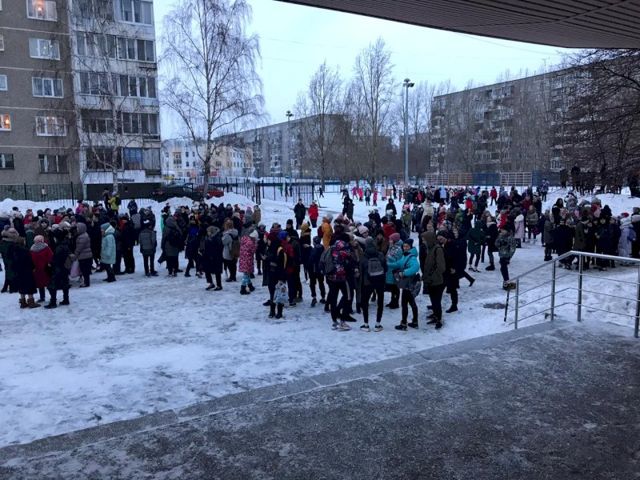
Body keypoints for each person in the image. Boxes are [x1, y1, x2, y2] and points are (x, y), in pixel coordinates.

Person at [359, 237, 387, 332]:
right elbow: (385, 268)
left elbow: (361, 271)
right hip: (380, 281)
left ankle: (366, 324)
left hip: (368, 282)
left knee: (365, 302)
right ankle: (377, 324)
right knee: (380, 302)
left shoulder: (363, 256)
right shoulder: (380, 254)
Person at [391, 238, 420, 331]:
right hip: (408, 283)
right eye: (404, 246)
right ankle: (414, 322)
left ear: (411, 247)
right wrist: (388, 264)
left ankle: (404, 324)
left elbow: (415, 267)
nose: (405, 248)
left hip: (409, 284)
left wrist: (404, 273)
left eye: (407, 246)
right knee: (411, 302)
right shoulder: (406, 255)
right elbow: (398, 264)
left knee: (405, 304)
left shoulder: (412, 257)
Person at [423, 231, 446, 329]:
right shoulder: (430, 248)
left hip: (436, 281)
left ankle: (439, 319)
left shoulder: (437, 249)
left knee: (436, 301)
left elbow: (441, 267)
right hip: (430, 280)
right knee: (433, 300)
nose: (423, 242)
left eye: (424, 240)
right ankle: (435, 315)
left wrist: (432, 277)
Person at [45, 229, 72, 309]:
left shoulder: (59, 247)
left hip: (58, 268)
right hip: (65, 268)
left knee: (52, 285)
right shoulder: (65, 244)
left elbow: (56, 259)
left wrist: (50, 263)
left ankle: (53, 302)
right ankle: (66, 299)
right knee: (65, 283)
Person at [30, 234, 53, 303]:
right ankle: (52, 297)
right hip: (46, 269)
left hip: (37, 270)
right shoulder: (46, 248)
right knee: (49, 283)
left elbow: (30, 260)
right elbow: (51, 257)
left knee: (40, 285)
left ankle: (42, 297)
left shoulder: (32, 249)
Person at [202, 225, 223, 291]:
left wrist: (213, 254)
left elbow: (219, 248)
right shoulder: (208, 237)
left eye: (208, 231)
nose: (207, 232)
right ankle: (211, 283)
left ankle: (219, 285)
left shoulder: (217, 238)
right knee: (207, 270)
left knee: (217, 271)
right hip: (208, 256)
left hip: (216, 257)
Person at [307, 235, 326, 307]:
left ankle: (314, 297)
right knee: (321, 283)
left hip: (313, 269)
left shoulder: (314, 249)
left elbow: (311, 260)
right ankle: (323, 297)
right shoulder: (323, 248)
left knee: (312, 283)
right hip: (321, 269)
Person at [74, 222, 94, 287]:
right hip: (86, 255)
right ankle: (86, 282)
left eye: (77, 228)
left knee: (85, 271)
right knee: (85, 271)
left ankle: (86, 283)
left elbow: (79, 248)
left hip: (84, 256)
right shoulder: (84, 235)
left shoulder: (82, 237)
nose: (77, 229)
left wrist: (75, 255)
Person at [239, 230, 258, 295]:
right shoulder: (250, 243)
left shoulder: (244, 239)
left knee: (247, 273)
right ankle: (243, 288)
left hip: (243, 259)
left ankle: (250, 285)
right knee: (246, 274)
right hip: (248, 260)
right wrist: (256, 244)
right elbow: (253, 250)